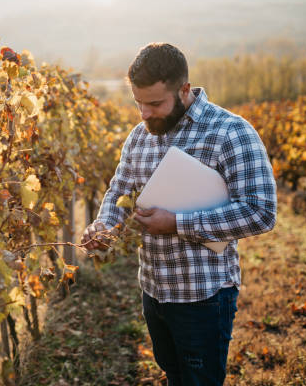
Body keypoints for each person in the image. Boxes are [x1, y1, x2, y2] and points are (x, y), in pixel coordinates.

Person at [81, 43, 277, 386]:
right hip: (153, 290)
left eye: (155, 103)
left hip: (203, 296)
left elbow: (261, 212)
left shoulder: (231, 132)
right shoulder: (140, 136)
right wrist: (103, 225)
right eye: (139, 102)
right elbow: (118, 192)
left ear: (184, 90)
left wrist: (177, 223)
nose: (144, 113)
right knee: (175, 376)